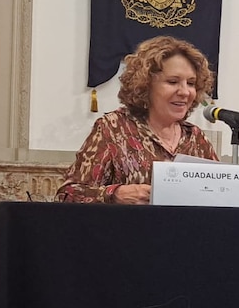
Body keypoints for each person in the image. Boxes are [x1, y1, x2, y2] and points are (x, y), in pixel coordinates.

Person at [56, 35, 219, 204]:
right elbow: (67, 195)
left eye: (191, 83)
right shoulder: (113, 129)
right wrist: (115, 194)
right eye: (172, 82)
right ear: (145, 85)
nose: (185, 92)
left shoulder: (196, 138)